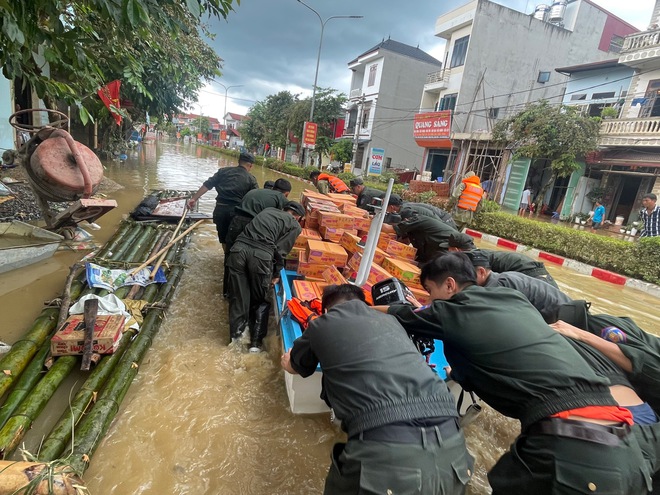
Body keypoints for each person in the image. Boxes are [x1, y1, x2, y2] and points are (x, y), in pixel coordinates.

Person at [378, 252, 652, 495]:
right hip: (629, 451)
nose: (429, 300)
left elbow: (398, 314)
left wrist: (351, 309)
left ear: (450, 285)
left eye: (430, 291)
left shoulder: (455, 310)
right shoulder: (513, 298)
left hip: (573, 453)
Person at [281, 284, 473, 495]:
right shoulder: (391, 320)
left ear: (327, 309)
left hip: (385, 450)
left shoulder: (321, 325)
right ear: (365, 304)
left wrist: (286, 361)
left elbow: (296, 367)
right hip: (453, 443)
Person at [227, 202, 304, 352]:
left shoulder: (268, 210)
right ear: (297, 217)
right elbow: (281, 250)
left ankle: (235, 341)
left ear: (284, 209)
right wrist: (276, 274)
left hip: (237, 251)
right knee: (259, 300)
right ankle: (255, 345)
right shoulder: (295, 226)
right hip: (260, 258)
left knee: (239, 298)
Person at [223, 179, 292, 297]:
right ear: (286, 193)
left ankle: (227, 292)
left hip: (235, 223)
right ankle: (246, 294)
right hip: (252, 226)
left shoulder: (255, 191)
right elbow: (282, 218)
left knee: (231, 257)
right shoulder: (281, 198)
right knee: (252, 257)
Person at [464, 249, 572, 323]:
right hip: (567, 307)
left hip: (564, 316)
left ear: (482, 272)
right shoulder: (502, 276)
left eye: (466, 276)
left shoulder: (497, 286)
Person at [187, 152, 258, 253]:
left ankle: (226, 256)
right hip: (237, 214)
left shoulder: (223, 172)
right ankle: (231, 262)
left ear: (238, 162)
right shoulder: (251, 179)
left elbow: (207, 185)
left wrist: (194, 198)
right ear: (250, 165)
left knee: (224, 239)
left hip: (220, 211)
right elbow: (255, 198)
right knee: (236, 240)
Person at [442, 232, 559, 288]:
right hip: (539, 274)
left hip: (532, 276)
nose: (448, 254)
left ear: (457, 250)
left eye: (449, 250)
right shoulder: (480, 254)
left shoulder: (472, 258)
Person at [394, 210, 463, 263]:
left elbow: (389, 228)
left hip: (441, 252)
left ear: (406, 220)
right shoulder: (415, 228)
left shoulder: (417, 221)